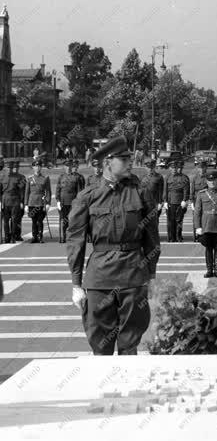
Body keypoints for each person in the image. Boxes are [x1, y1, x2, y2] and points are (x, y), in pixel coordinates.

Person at [66, 136, 160, 356]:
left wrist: (152, 274)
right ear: (108, 162)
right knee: (100, 343)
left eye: (129, 158)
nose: (130, 163)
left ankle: (129, 387)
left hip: (133, 274)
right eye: (124, 159)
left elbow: (152, 236)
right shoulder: (88, 197)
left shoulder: (140, 191)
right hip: (100, 277)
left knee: (131, 343)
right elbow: (75, 241)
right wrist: (76, 284)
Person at [194, 170, 217, 278]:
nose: (212, 183)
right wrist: (198, 227)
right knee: (208, 248)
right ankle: (209, 270)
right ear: (207, 181)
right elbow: (197, 212)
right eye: (210, 181)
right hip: (206, 225)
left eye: (214, 180)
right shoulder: (201, 194)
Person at [24, 156, 52, 243]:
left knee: (40, 220)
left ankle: (40, 236)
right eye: (36, 166)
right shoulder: (29, 178)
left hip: (41, 202)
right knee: (34, 221)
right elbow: (27, 192)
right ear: (33, 167)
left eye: (39, 166)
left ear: (41, 167)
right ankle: (34, 236)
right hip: (32, 202)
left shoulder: (45, 178)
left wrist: (48, 203)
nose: (37, 168)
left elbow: (48, 191)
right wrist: (26, 204)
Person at [163, 152, 190, 242]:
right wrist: (165, 201)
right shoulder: (167, 177)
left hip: (179, 202)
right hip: (170, 202)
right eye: (172, 168)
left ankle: (178, 237)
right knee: (170, 221)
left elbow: (186, 189)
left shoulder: (184, 177)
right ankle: (171, 237)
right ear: (170, 168)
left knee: (179, 220)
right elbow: (165, 190)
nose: (174, 169)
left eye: (175, 168)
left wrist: (184, 200)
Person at [56, 157, 83, 243]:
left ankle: (71, 236)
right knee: (64, 221)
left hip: (73, 202)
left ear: (72, 167)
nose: (68, 168)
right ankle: (64, 236)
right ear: (64, 167)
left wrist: (78, 202)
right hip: (63, 202)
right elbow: (58, 190)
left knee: (72, 220)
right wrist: (58, 201)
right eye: (66, 166)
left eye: (70, 166)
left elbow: (79, 191)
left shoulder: (76, 178)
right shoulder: (61, 177)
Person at [1, 159, 25, 243]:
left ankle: (13, 236)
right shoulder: (2, 177)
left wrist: (22, 202)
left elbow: (22, 190)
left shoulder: (19, 177)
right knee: (6, 220)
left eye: (11, 168)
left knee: (14, 220)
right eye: (9, 168)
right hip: (5, 200)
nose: (10, 169)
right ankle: (7, 236)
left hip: (15, 200)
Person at [190, 160, 209, 241]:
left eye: (203, 168)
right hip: (196, 201)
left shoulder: (208, 178)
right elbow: (192, 190)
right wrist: (191, 202)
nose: (201, 170)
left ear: (206, 168)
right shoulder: (195, 178)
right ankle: (196, 236)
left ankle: (205, 235)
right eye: (200, 168)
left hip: (205, 201)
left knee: (205, 218)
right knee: (196, 218)